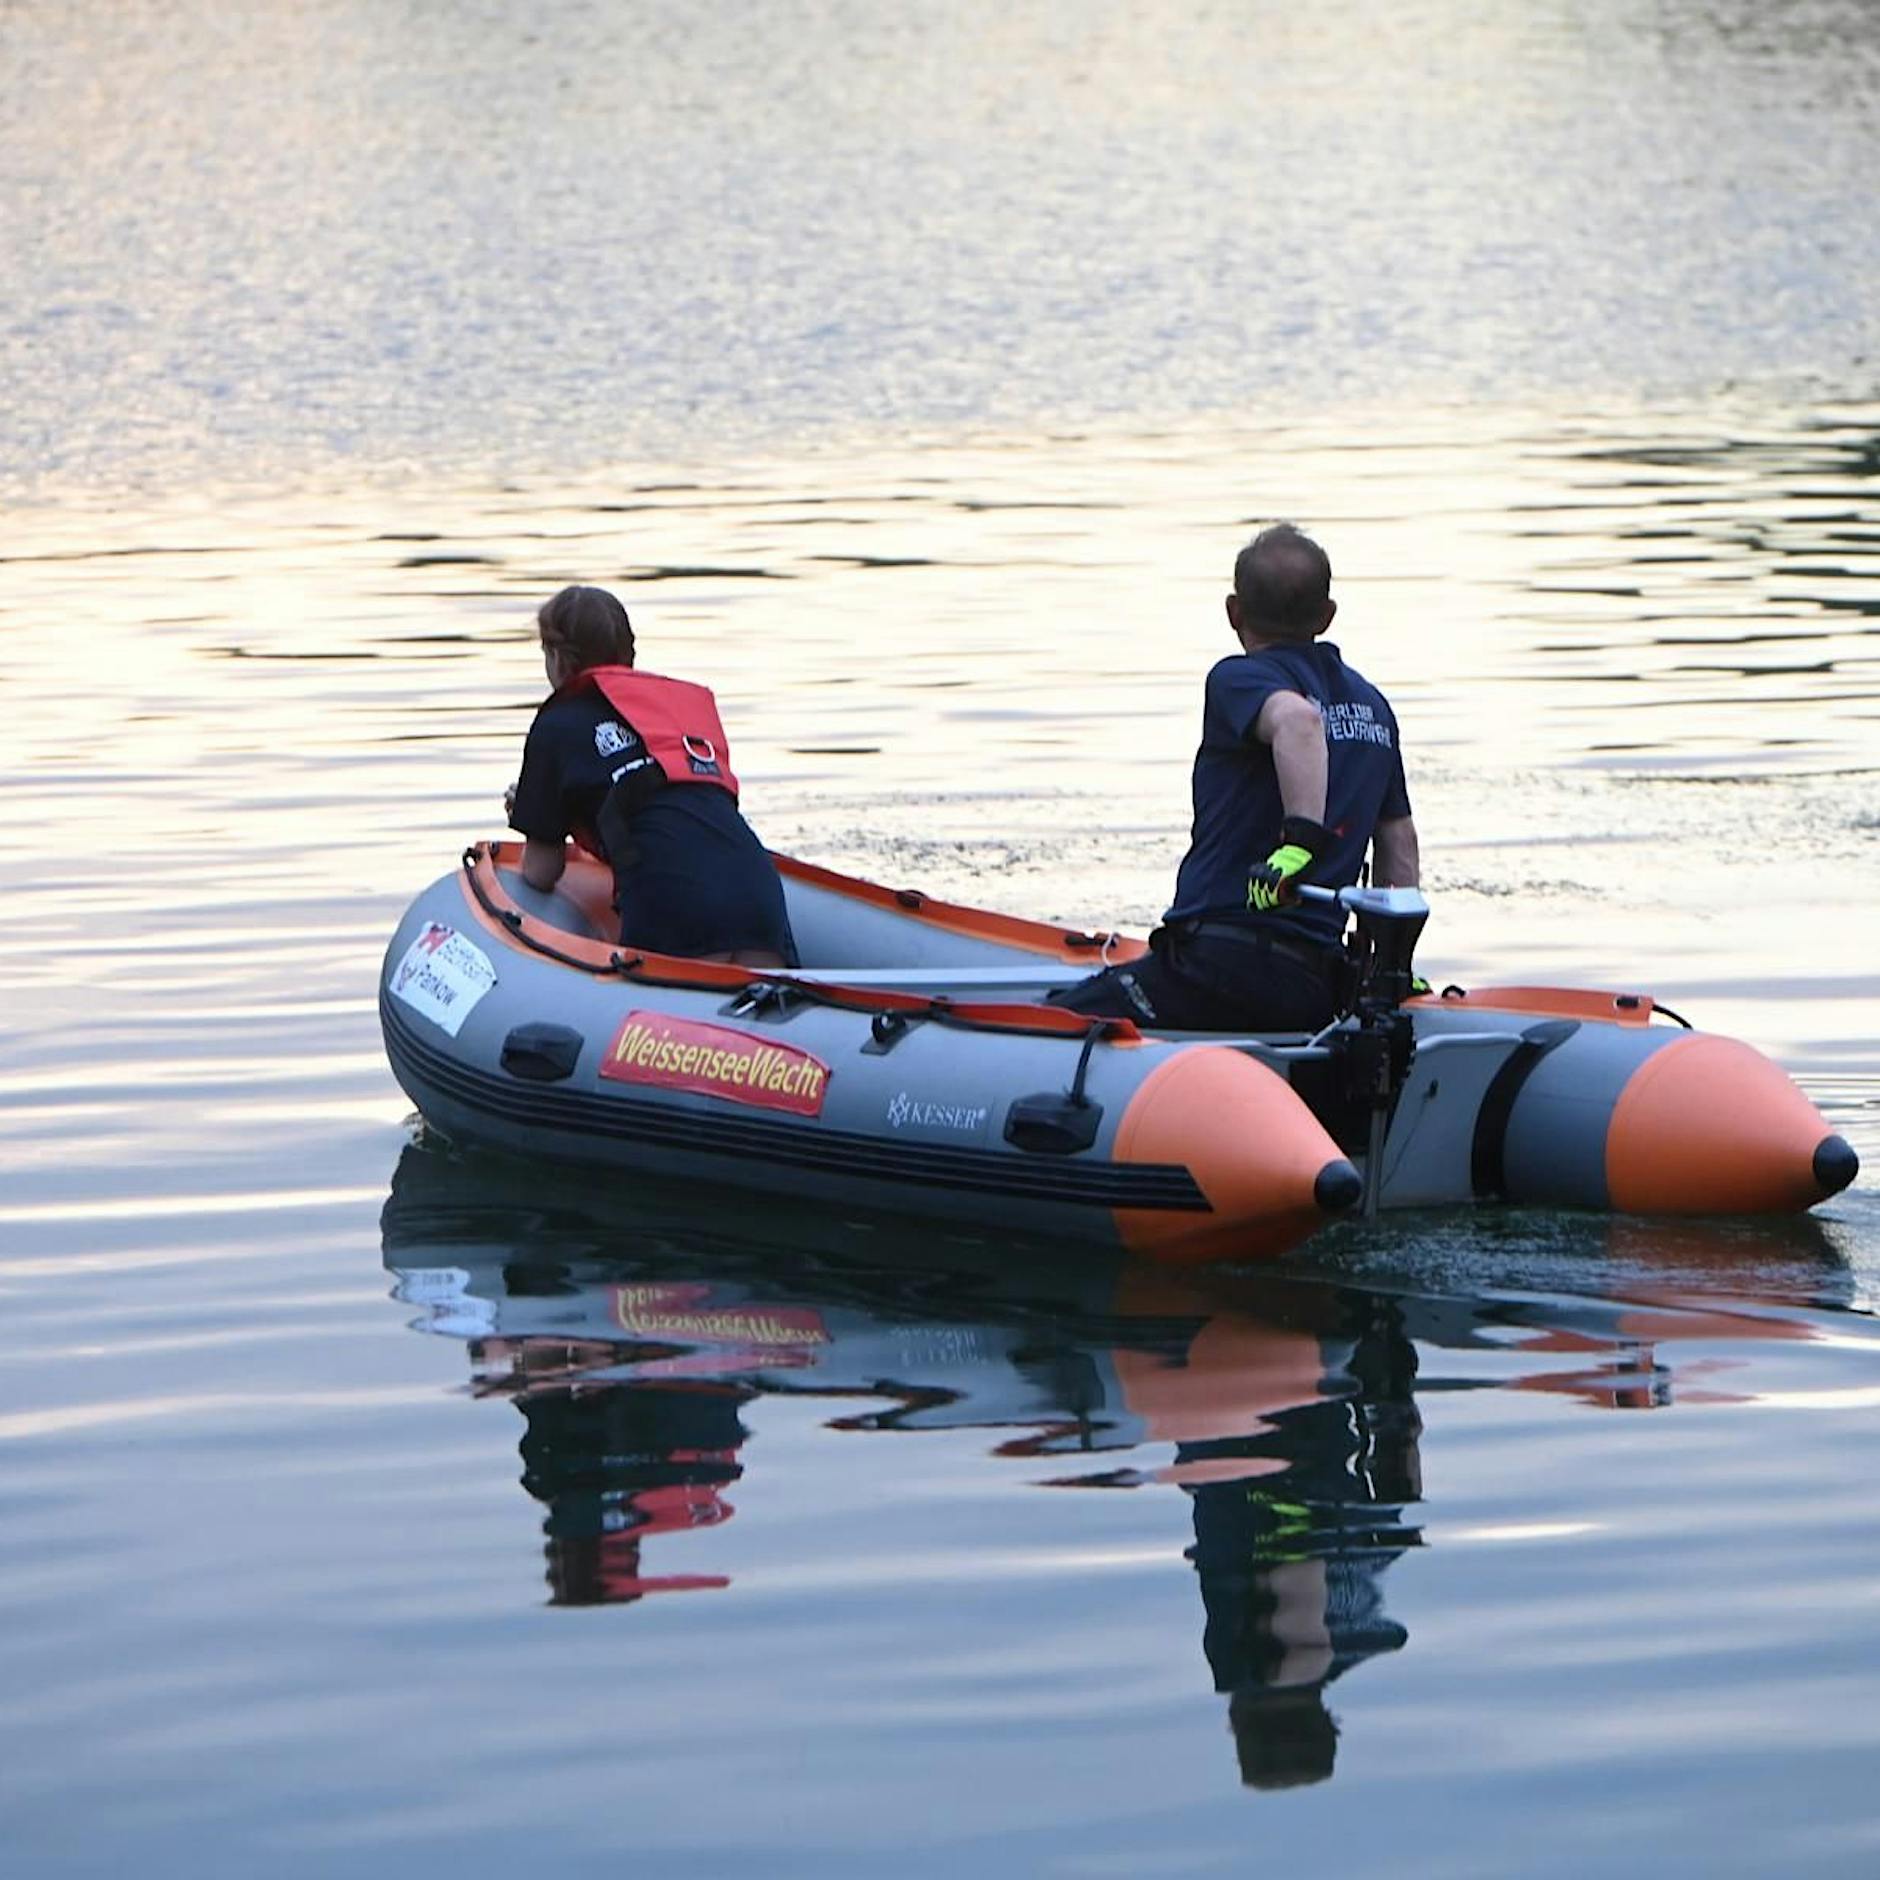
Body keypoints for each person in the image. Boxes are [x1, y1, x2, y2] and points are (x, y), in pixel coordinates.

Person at [1051, 523, 1418, 1031]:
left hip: (1218, 966)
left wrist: (1300, 843)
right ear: (1327, 616)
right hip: (1313, 983)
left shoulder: (1239, 678)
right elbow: (1399, 841)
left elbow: (1299, 721)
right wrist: (1391, 969)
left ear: (1234, 612)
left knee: (1048, 1017)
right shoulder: (1373, 707)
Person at [505, 584, 798, 966]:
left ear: (557, 658)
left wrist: (534, 817)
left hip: (674, 906)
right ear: (629, 653)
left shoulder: (557, 723)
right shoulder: (674, 714)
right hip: (758, 894)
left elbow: (541, 872)